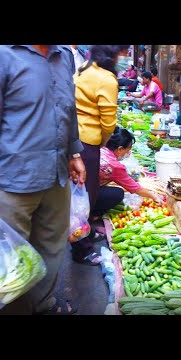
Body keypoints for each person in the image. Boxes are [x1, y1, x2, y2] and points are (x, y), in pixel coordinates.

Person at [0, 45, 86, 315]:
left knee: (52, 246)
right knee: (10, 259)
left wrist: (74, 151)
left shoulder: (63, 55)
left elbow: (67, 107)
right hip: (13, 179)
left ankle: (42, 303)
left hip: (56, 173)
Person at [70, 45, 130, 266]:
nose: (124, 57)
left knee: (81, 193)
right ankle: (81, 250)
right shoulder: (106, 79)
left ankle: (84, 234)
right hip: (88, 141)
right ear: (112, 53)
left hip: (76, 137)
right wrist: (104, 142)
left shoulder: (84, 69)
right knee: (85, 196)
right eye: (122, 52)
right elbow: (108, 122)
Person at [93, 127, 163, 217]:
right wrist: (154, 196)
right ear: (120, 149)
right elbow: (136, 189)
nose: (129, 153)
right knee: (117, 193)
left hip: (79, 186)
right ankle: (93, 215)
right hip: (87, 194)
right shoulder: (114, 166)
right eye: (128, 149)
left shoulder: (101, 148)